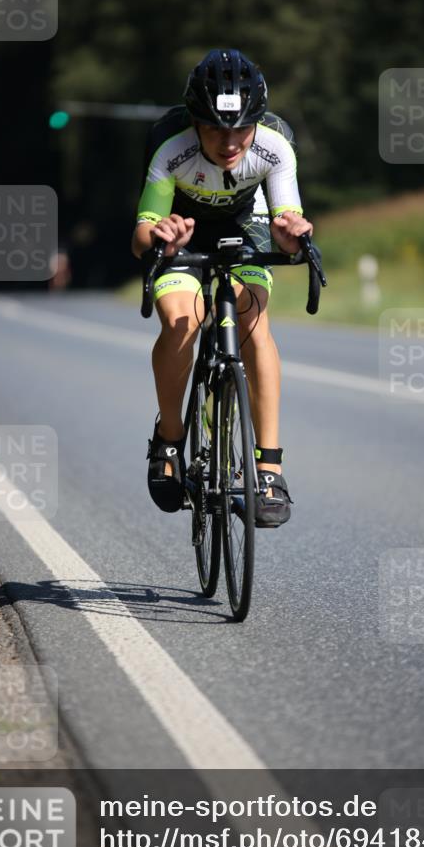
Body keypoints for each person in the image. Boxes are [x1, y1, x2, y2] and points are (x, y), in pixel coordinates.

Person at [131, 48, 313, 527]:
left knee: (252, 321)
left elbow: (283, 219)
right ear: (195, 122)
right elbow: (140, 237)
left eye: (240, 129)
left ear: (257, 122)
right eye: (214, 128)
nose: (229, 142)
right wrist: (161, 236)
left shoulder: (275, 148)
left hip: (246, 223)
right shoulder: (171, 148)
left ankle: (269, 468)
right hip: (183, 230)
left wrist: (291, 234)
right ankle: (169, 439)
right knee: (182, 319)